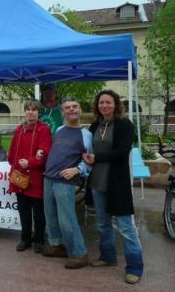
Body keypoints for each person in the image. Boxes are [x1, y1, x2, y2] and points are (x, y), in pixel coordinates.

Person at [82, 90, 144, 284]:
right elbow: (88, 149)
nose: (105, 106)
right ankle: (108, 257)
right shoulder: (94, 126)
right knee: (102, 223)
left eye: (108, 102)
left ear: (116, 105)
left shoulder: (125, 125)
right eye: (101, 103)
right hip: (97, 182)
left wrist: (97, 158)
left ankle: (134, 267)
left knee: (125, 226)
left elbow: (123, 151)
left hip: (117, 182)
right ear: (97, 106)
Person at [41, 97, 92, 269]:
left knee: (66, 219)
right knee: (51, 216)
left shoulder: (86, 135)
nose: (71, 110)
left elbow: (90, 161)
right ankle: (56, 245)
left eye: (74, 107)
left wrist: (77, 170)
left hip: (65, 182)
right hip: (48, 179)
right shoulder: (60, 130)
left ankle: (79, 253)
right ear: (63, 112)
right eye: (67, 108)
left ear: (80, 110)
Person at [7, 100, 51, 253]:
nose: (31, 112)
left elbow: (45, 154)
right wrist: (14, 162)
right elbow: (11, 153)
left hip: (36, 178)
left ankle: (39, 240)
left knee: (38, 213)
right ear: (25, 112)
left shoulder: (43, 130)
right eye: (28, 109)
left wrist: (30, 162)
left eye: (34, 110)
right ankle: (25, 238)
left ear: (39, 113)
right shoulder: (19, 129)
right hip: (19, 177)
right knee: (23, 211)